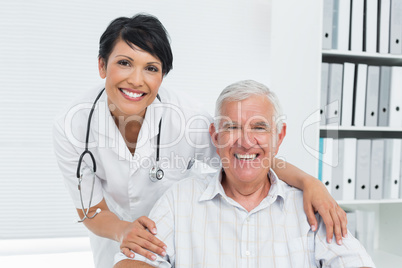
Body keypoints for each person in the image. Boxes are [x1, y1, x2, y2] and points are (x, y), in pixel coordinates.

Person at [53, 14, 347, 268]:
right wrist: (122, 231)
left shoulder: (187, 119)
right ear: (103, 66)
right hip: (114, 236)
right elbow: (91, 211)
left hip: (175, 236)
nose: (136, 79)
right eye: (125, 63)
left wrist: (310, 182)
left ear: (162, 76)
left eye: (151, 68)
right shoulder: (74, 126)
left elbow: (246, 154)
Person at [114, 80, 375, 268]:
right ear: (215, 137)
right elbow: (131, 262)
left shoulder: (308, 206)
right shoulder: (180, 200)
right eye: (233, 127)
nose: (246, 142)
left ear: (278, 136)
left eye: (259, 127)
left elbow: (355, 262)